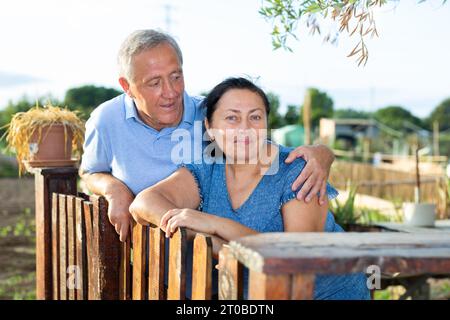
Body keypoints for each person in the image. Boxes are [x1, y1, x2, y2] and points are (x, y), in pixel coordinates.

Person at [80, 29, 336, 242]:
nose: (170, 92)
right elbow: (91, 172)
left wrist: (322, 153)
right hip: (171, 253)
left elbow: (256, 147)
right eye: (154, 83)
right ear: (127, 87)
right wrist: (115, 189)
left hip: (210, 261)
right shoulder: (106, 120)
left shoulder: (212, 112)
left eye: (176, 77)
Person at [129, 77, 370, 300]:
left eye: (255, 117)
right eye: (232, 118)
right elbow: (145, 203)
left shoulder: (298, 171)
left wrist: (216, 225)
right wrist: (202, 236)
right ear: (210, 128)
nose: (245, 128)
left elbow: (296, 258)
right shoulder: (208, 167)